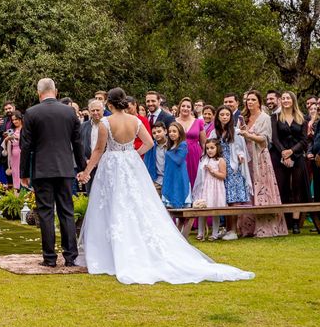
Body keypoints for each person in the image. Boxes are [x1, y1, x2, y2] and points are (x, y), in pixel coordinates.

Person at [76, 87, 254, 284]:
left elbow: (99, 149)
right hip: (131, 164)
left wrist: (87, 171)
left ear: (109, 104)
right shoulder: (135, 120)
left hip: (111, 166)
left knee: (112, 205)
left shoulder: (105, 123)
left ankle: (111, 253)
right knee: (135, 204)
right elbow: (149, 143)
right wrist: (133, 154)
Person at [20, 78, 86, 268]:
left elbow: (26, 146)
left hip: (42, 169)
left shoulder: (32, 113)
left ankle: (49, 257)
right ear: (56, 92)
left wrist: (24, 172)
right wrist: (81, 167)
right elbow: (78, 142)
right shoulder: (69, 112)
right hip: (65, 168)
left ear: (38, 93)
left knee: (46, 213)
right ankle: (70, 256)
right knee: (67, 211)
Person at [237, 90, 288, 238]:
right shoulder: (245, 117)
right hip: (247, 158)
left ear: (259, 102)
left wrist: (249, 135)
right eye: (248, 100)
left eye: (253, 99)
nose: (250, 102)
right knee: (249, 189)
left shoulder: (265, 117)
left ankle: (265, 226)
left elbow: (265, 140)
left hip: (260, 157)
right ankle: (248, 227)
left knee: (261, 188)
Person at [208, 106, 252, 240]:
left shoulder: (236, 132)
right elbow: (210, 148)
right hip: (220, 167)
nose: (225, 117)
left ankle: (233, 230)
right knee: (224, 198)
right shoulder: (214, 133)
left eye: (227, 114)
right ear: (218, 117)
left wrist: (240, 156)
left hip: (233, 169)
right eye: (222, 114)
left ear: (230, 117)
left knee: (233, 200)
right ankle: (227, 229)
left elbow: (240, 149)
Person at [271, 91, 310, 234]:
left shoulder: (302, 118)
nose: (286, 100)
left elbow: (304, 140)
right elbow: (274, 139)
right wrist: (283, 153)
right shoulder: (275, 117)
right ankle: (282, 222)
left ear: (293, 100)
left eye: (288, 98)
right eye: (284, 98)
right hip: (279, 156)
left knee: (297, 189)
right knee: (282, 188)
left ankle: (295, 223)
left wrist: (291, 152)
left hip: (297, 156)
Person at [192, 139, 227, 241]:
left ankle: (215, 234)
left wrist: (212, 171)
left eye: (212, 148)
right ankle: (200, 233)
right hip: (205, 187)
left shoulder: (220, 160)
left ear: (217, 148)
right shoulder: (204, 160)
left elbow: (223, 175)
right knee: (203, 210)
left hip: (216, 188)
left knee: (215, 211)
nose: (209, 150)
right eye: (207, 148)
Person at [175, 97, 206, 187]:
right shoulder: (173, 121)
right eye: (183, 106)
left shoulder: (198, 122)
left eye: (188, 107)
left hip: (194, 154)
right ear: (179, 107)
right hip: (178, 153)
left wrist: (206, 158)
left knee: (194, 178)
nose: (185, 108)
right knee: (179, 179)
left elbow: (204, 143)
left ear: (191, 109)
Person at [161, 122, 192, 208]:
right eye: (170, 131)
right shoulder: (170, 146)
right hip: (170, 176)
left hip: (179, 176)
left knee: (181, 206)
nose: (171, 133)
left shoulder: (183, 145)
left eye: (174, 131)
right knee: (169, 208)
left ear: (180, 133)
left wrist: (168, 152)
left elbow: (178, 160)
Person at [80, 99, 105, 193]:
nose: (95, 113)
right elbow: (79, 147)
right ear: (89, 112)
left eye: (98, 110)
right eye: (92, 110)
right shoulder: (83, 127)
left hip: (105, 165)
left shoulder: (109, 124)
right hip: (89, 166)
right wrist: (85, 160)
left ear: (103, 110)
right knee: (91, 193)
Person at [143, 121, 169, 193]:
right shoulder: (151, 147)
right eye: (154, 133)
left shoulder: (172, 145)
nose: (157, 134)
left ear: (165, 131)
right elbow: (147, 163)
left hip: (170, 180)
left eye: (159, 131)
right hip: (157, 180)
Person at [4, 110, 23, 191]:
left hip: (23, 154)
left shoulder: (25, 128)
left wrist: (16, 138)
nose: (14, 121)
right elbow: (4, 144)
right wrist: (7, 139)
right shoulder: (11, 130)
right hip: (13, 156)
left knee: (22, 174)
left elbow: (28, 140)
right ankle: (16, 196)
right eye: (13, 120)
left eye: (16, 119)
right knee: (15, 175)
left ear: (20, 119)